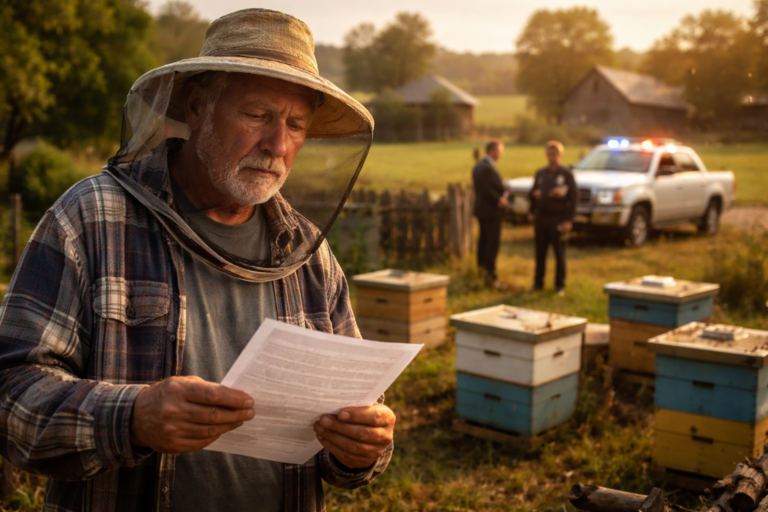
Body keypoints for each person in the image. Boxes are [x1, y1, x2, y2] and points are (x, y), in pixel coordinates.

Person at [0, 9, 395, 512]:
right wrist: (133, 416)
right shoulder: (90, 220)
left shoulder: (309, 255)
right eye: (257, 114)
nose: (277, 144)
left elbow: (354, 427)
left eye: (296, 124)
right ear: (196, 107)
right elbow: (10, 396)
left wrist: (361, 447)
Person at [528, 140, 578, 296]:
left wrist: (569, 220)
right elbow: (532, 193)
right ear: (546, 155)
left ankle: (559, 286)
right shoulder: (540, 173)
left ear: (560, 155)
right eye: (549, 154)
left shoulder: (566, 174)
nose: (552, 157)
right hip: (541, 218)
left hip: (558, 218)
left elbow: (574, 199)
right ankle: (538, 283)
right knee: (540, 253)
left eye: (555, 154)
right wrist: (532, 209)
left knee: (559, 253)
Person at [472, 139, 508, 288]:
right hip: (492, 211)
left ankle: (481, 270)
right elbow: (487, 189)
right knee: (491, 244)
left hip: (482, 211)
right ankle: (490, 276)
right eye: (499, 151)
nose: (501, 154)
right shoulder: (488, 167)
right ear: (492, 151)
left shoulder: (478, 166)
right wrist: (499, 199)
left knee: (483, 241)